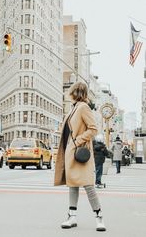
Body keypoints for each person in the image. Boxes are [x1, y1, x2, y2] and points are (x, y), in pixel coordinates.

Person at [54, 82, 106, 232]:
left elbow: (93, 129)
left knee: (89, 186)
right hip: (71, 152)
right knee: (73, 185)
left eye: (70, 92)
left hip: (80, 152)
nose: (68, 95)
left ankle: (99, 218)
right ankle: (72, 217)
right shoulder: (74, 108)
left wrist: (77, 141)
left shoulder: (83, 107)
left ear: (75, 92)